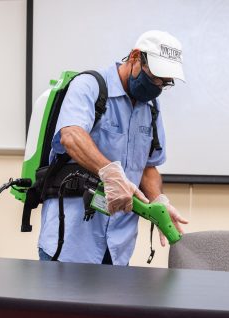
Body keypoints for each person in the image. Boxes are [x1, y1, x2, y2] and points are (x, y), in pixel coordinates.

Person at [38, 30, 189, 265]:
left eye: (165, 82)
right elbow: (71, 135)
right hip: (71, 243)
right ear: (135, 56)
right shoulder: (90, 86)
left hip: (118, 248)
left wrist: (157, 200)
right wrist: (109, 171)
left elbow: (147, 167)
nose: (157, 85)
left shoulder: (151, 107)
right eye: (155, 76)